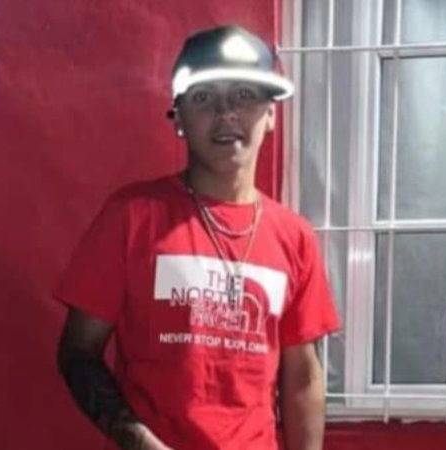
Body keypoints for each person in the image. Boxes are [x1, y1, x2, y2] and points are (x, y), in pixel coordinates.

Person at [54, 25, 340, 450]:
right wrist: (143, 444)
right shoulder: (132, 216)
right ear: (179, 118)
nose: (226, 112)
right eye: (204, 97)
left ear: (271, 115)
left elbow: (302, 377)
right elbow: (78, 353)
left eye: (244, 94)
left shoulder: (294, 237)